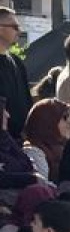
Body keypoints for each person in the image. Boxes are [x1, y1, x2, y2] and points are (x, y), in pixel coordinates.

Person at [0, 8, 32, 141]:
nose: (19, 31)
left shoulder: (17, 61)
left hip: (20, 139)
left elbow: (26, 97)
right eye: (15, 26)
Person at [21, 99, 69, 182]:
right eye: (64, 118)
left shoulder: (63, 146)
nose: (68, 122)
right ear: (48, 121)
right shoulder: (34, 152)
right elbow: (43, 185)